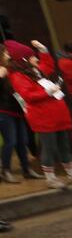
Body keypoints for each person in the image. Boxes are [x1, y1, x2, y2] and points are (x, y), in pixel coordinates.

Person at [7, 43, 72, 189]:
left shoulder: (35, 71)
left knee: (64, 145)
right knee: (49, 147)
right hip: (43, 117)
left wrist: (44, 51)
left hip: (57, 115)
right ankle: (50, 178)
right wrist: (47, 92)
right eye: (32, 56)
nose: (35, 58)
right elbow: (27, 95)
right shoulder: (18, 76)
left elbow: (48, 65)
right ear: (23, 59)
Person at [0, 43, 41, 183]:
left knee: (22, 141)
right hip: (4, 111)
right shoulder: (2, 71)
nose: (8, 55)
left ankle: (26, 169)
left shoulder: (11, 68)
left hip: (17, 109)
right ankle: (6, 171)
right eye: (5, 53)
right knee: (10, 141)